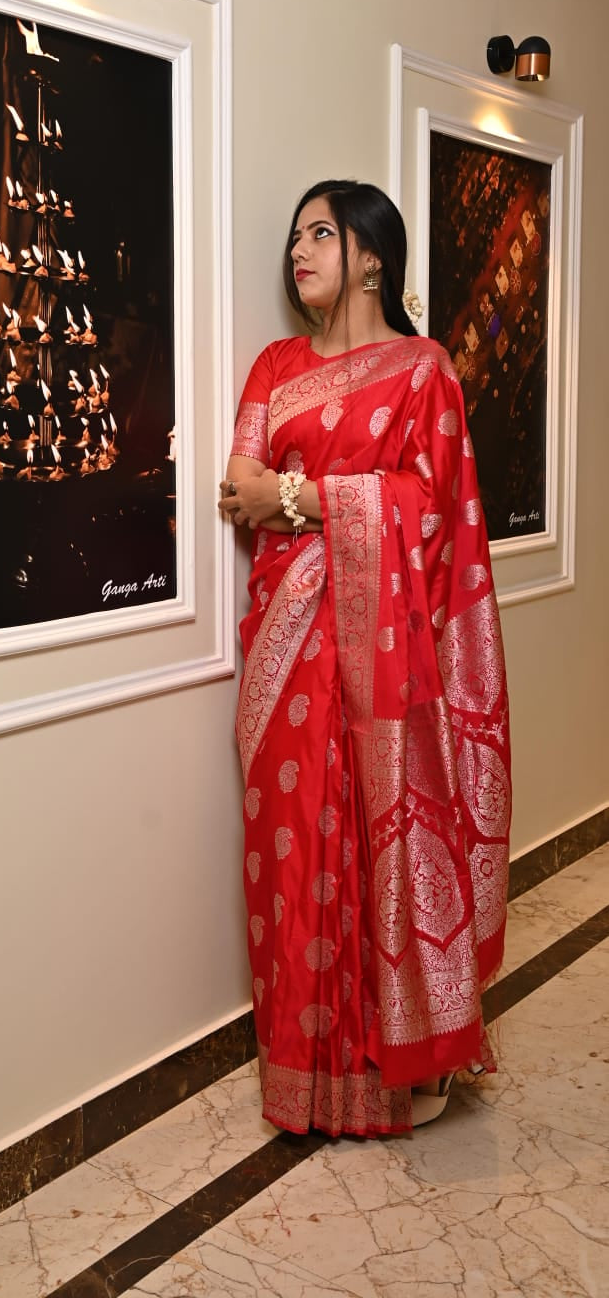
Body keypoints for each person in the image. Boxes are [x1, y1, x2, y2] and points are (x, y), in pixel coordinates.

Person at [218, 180, 511, 1137]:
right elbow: (239, 483)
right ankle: (312, 1072)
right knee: (291, 850)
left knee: (383, 836)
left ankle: (397, 1063)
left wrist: (299, 500)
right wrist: (322, 491)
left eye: (319, 234)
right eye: (292, 236)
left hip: (387, 658)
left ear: (372, 256)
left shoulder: (425, 372)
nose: (297, 252)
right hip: (285, 652)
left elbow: (427, 512)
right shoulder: (274, 363)